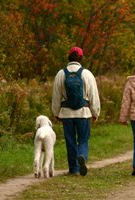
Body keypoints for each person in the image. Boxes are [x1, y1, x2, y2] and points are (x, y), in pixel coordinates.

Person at [52, 46, 100, 176]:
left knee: (70, 141)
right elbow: (94, 95)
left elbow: (56, 96)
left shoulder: (60, 74)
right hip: (83, 113)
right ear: (81, 58)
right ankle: (82, 155)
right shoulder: (87, 74)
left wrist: (56, 113)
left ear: (69, 57)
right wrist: (95, 112)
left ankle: (73, 168)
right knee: (83, 139)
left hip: (66, 113)